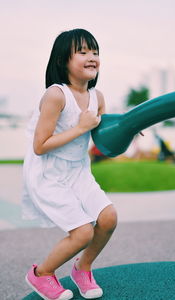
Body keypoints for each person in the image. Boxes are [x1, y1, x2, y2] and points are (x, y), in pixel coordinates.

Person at [22, 29, 117, 300]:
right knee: (83, 232)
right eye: (83, 51)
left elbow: (103, 130)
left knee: (108, 218)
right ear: (63, 60)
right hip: (49, 173)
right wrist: (80, 128)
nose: (92, 57)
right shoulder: (56, 95)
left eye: (95, 52)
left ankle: (82, 269)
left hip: (78, 170)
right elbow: (39, 146)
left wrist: (129, 129)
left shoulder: (97, 96)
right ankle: (41, 274)